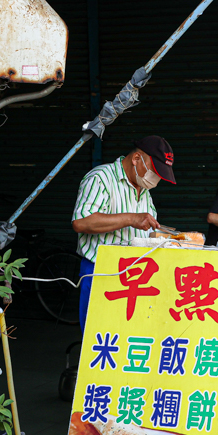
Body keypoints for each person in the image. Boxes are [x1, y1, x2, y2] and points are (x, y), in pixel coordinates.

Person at [72, 136, 176, 328]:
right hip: (101, 272)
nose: (155, 179)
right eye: (154, 172)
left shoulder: (143, 189)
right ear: (136, 159)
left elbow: (145, 231)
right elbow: (81, 222)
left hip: (136, 276)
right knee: (98, 337)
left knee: (126, 338)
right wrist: (131, 218)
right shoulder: (101, 178)